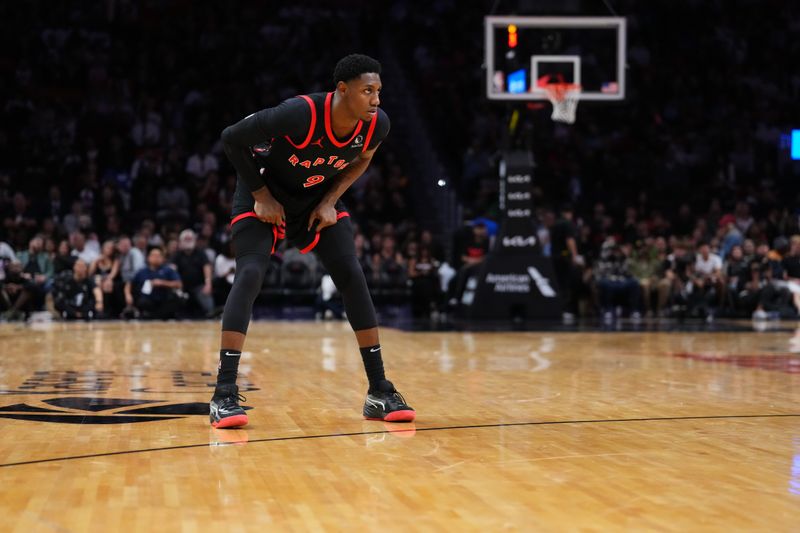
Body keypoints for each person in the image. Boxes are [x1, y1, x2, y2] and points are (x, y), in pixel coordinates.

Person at [210, 54, 414, 428]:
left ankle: (379, 391)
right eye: (368, 91)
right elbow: (230, 139)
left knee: (350, 271)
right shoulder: (298, 115)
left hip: (313, 200)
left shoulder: (376, 125)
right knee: (252, 272)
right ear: (342, 90)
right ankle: (223, 393)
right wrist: (261, 195)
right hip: (262, 193)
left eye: (379, 91)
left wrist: (330, 201)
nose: (376, 100)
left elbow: (363, 159)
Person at [124, 247, 183, 319]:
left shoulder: (168, 270)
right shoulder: (142, 271)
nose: (156, 258)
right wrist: (128, 294)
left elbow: (179, 284)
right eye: (153, 256)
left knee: (178, 299)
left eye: (158, 256)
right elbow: (129, 283)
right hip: (147, 300)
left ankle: (157, 316)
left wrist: (162, 283)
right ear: (148, 258)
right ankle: (150, 315)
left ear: (163, 258)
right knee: (141, 301)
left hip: (164, 300)